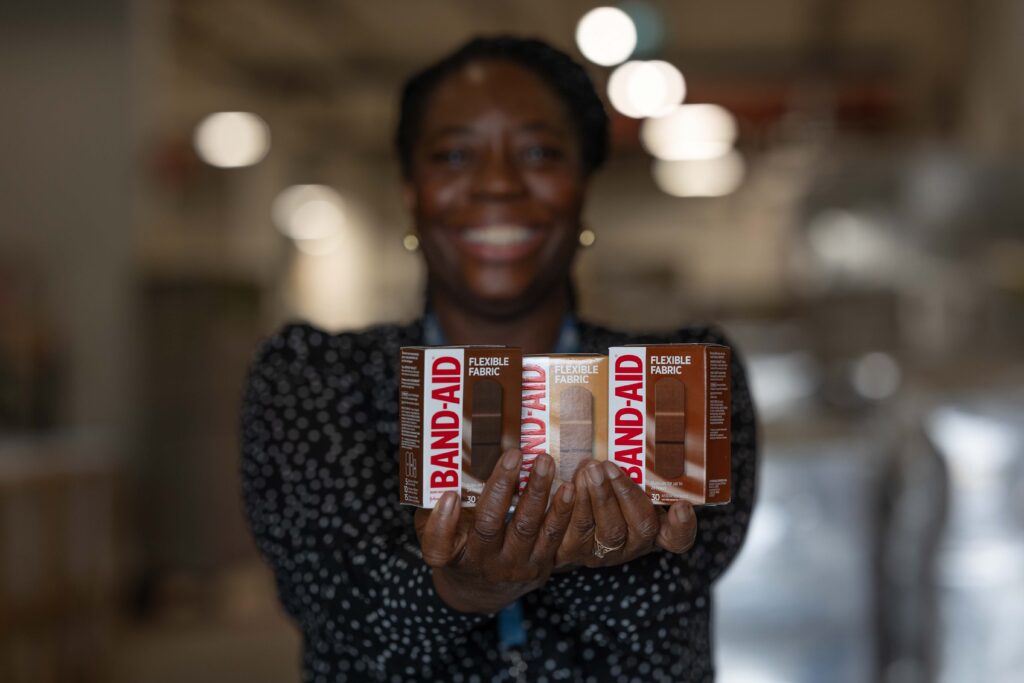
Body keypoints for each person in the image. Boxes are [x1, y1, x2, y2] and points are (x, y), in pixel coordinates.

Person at [241, 36, 757, 683]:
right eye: (455, 154)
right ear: (411, 189)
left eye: (539, 152)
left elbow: (674, 592)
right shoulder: (315, 376)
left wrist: (591, 565)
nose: (497, 182)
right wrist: (459, 588)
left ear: (584, 184)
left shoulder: (681, 377)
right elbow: (338, 602)